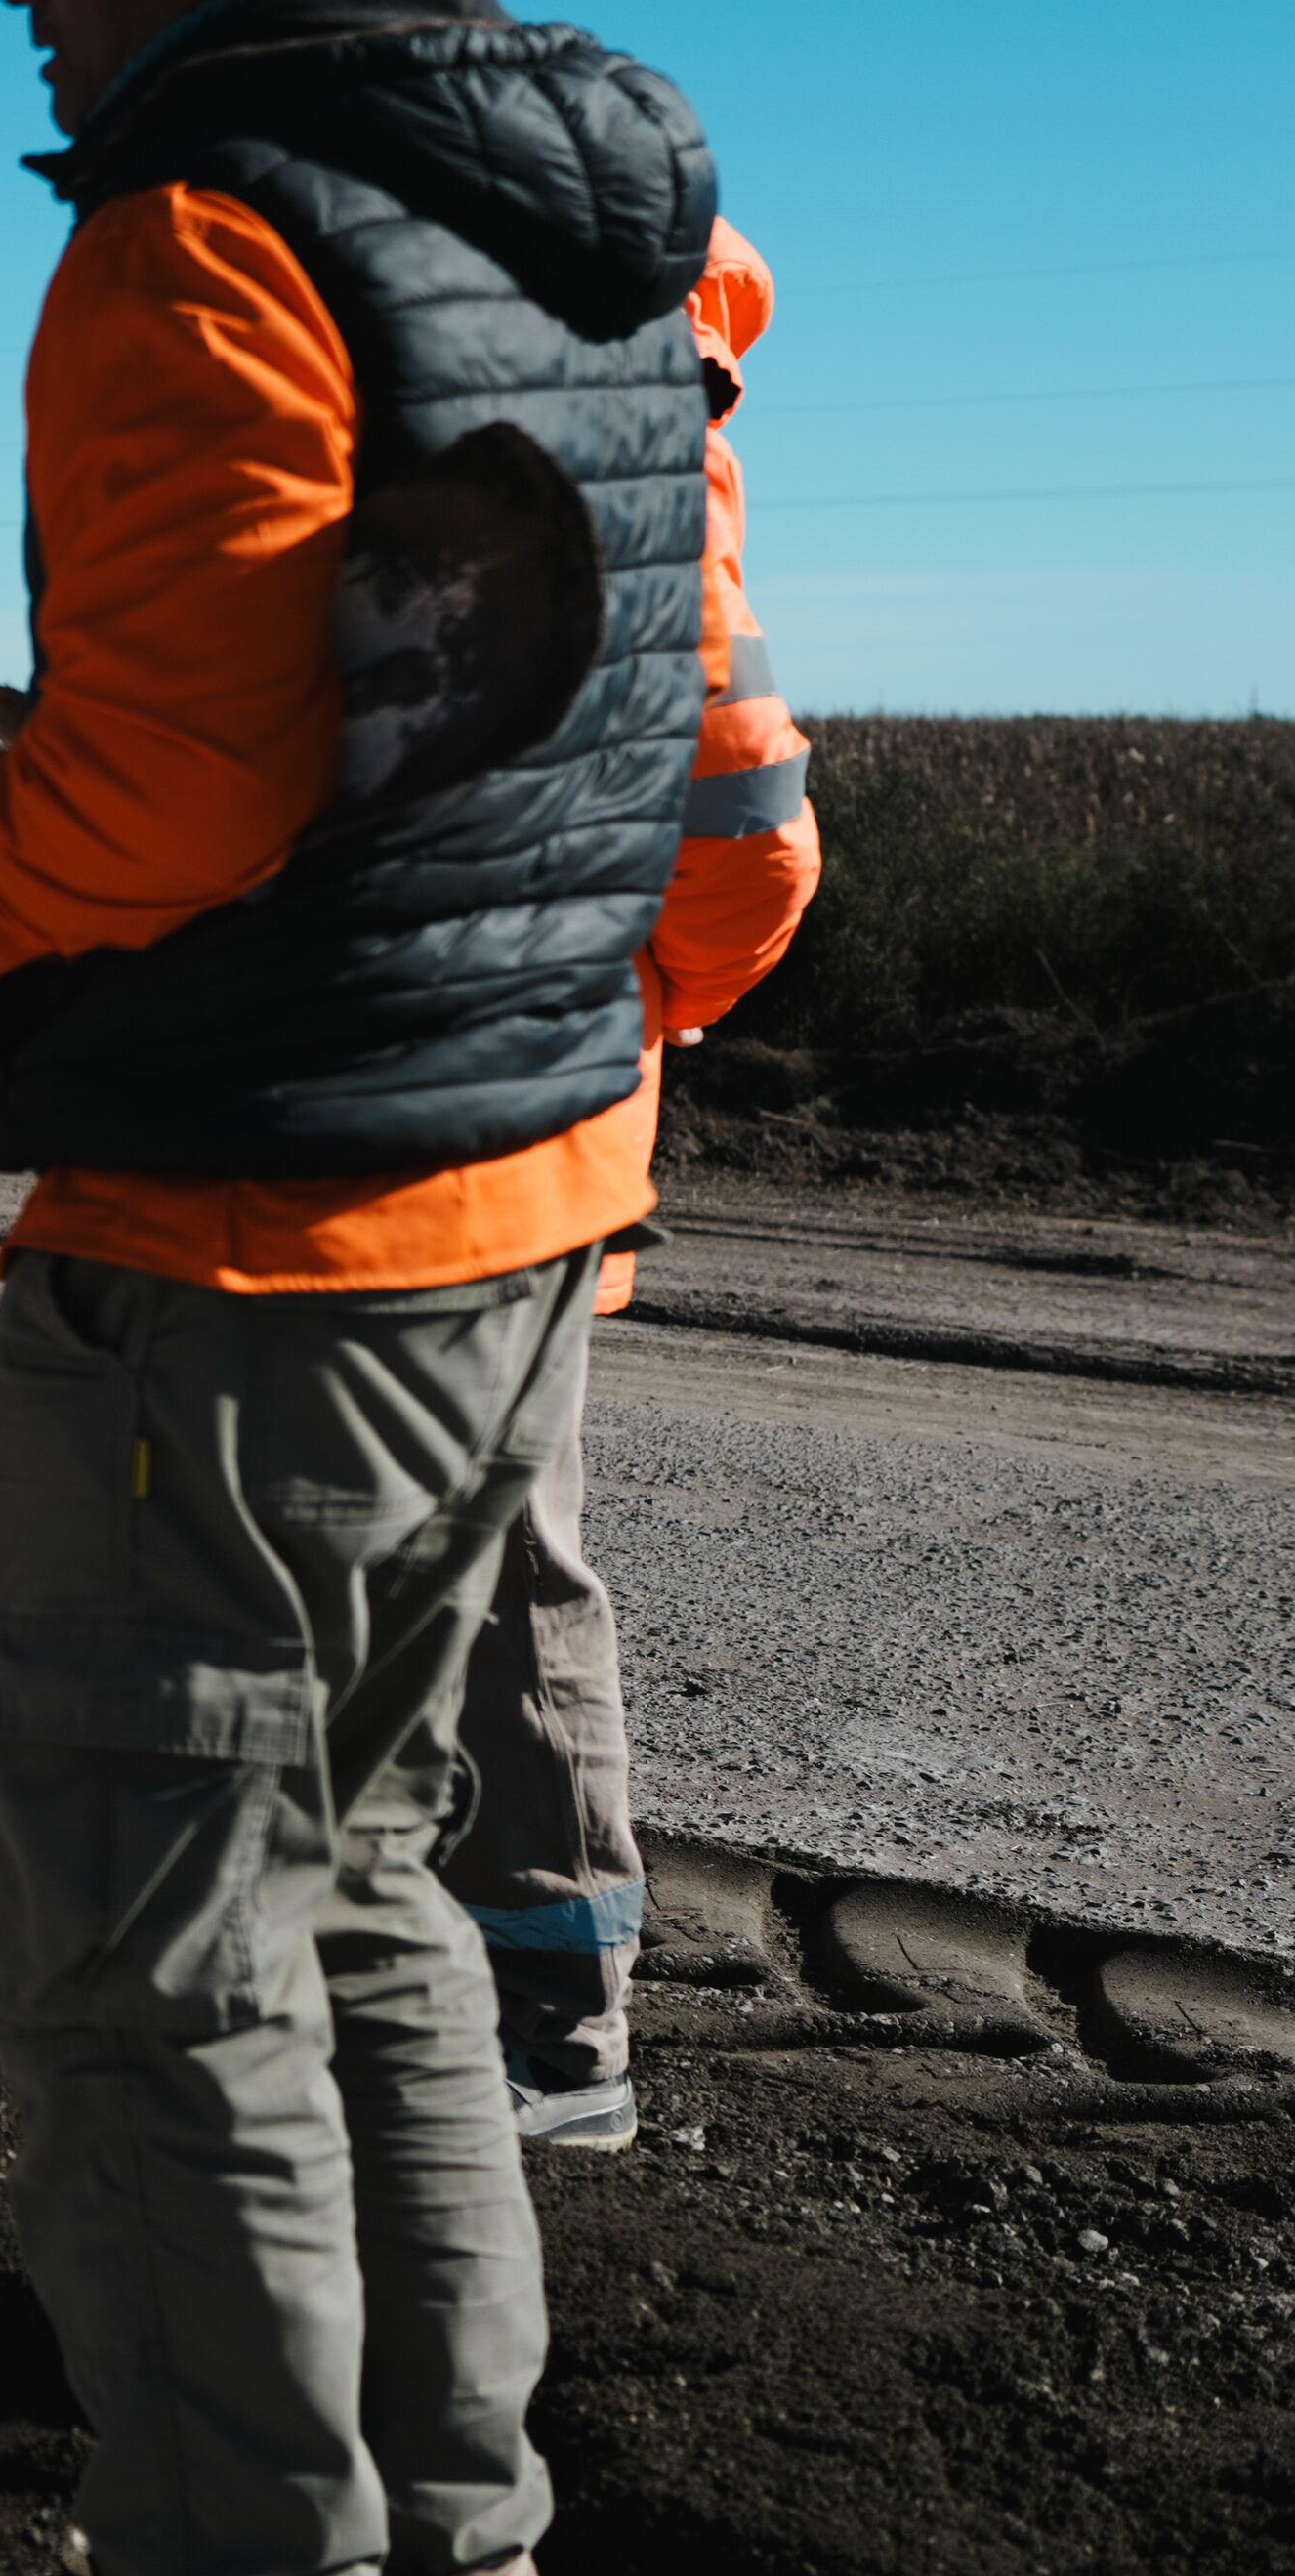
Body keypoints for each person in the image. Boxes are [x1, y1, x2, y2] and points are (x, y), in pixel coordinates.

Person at [0, 0, 710, 2572]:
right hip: (519, 1211)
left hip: (251, 1262)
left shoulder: (217, 222)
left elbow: (175, 779)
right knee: (383, 1888)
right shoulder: (596, 233)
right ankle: (451, 2513)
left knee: (159, 1987)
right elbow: (714, 761)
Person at [439, 217, 817, 2153]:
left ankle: (558, 2023)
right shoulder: (549, 468)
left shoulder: (627, 485)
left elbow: (753, 836)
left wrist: (604, 1005)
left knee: (504, 1575)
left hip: (513, 1136)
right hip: (443, 1123)